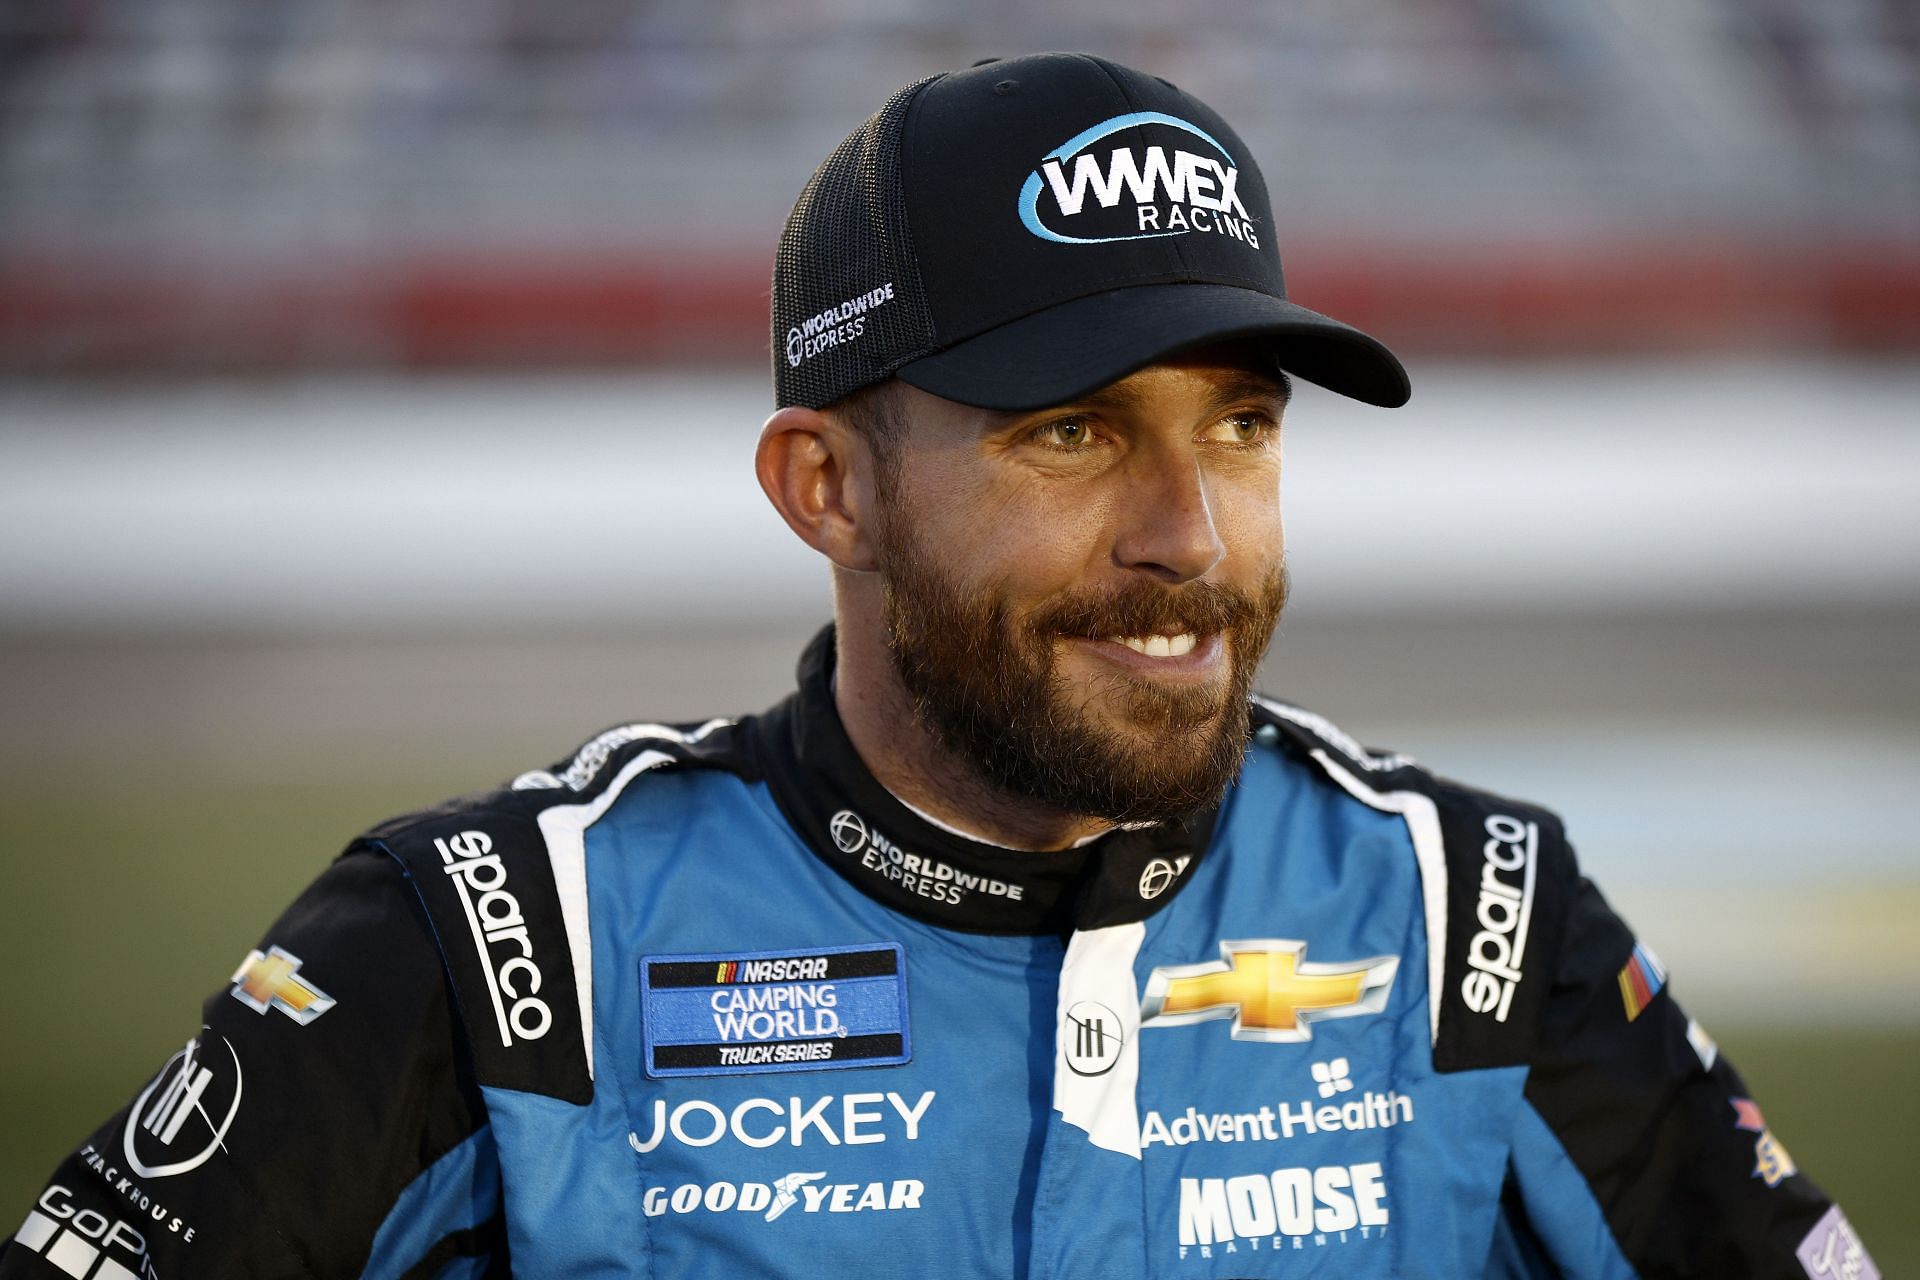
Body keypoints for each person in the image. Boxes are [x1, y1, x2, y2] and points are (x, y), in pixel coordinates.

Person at [1, 52, 1876, 1280]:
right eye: (1068, 434)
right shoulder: (500, 950)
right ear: (829, 490)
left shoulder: (1476, 921)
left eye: (1238, 426)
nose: (1189, 538)